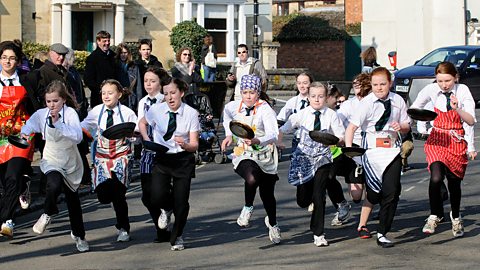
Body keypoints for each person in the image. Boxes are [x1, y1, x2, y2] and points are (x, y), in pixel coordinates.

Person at [345, 67, 410, 248]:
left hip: (392, 150)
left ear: (390, 83)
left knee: (392, 191)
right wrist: (351, 153)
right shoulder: (366, 103)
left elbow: (407, 124)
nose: (379, 88)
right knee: (374, 194)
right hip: (372, 151)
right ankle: (366, 221)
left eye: (383, 84)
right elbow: (351, 128)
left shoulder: (397, 100)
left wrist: (401, 126)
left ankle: (382, 232)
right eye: (375, 85)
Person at [410, 61, 476, 238]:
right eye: (440, 81)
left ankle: (455, 216)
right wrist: (415, 123)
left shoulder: (462, 91)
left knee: (454, 184)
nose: (444, 85)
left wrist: (458, 109)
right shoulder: (431, 90)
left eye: (447, 80)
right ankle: (435, 214)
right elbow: (416, 108)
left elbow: (470, 121)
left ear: (456, 77)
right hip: (437, 138)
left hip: (456, 140)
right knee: (436, 176)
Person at [23, 81, 89, 252]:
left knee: (73, 202)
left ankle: (79, 236)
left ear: (63, 100)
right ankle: (47, 214)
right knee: (53, 184)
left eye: (55, 101)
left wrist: (59, 123)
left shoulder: (70, 114)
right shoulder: (41, 114)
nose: (52, 105)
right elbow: (28, 126)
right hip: (52, 158)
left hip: (71, 161)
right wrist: (24, 133)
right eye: (48, 101)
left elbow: (77, 137)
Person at [278, 82, 345, 247]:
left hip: (323, 158)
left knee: (319, 194)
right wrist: (278, 141)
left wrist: (336, 141)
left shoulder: (331, 115)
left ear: (326, 97)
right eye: (313, 96)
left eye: (320, 96)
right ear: (308, 97)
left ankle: (319, 233)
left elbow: (341, 136)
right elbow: (283, 129)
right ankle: (306, 197)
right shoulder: (302, 114)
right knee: (303, 200)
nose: (317, 99)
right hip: (304, 159)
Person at [138, 78, 199, 251]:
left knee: (181, 201)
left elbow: (194, 144)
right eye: (166, 94)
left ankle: (178, 235)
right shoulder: (156, 110)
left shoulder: (191, 113)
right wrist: (147, 139)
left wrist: (185, 145)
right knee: (156, 196)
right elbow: (142, 122)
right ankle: (166, 209)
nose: (170, 97)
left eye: (173, 93)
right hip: (162, 157)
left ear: (181, 92)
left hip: (183, 159)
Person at [221, 74, 281, 245]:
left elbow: (274, 134)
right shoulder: (234, 106)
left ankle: (273, 223)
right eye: (245, 92)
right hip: (245, 152)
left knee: (267, 195)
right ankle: (247, 208)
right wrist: (228, 136)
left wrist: (257, 140)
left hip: (265, 154)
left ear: (258, 92)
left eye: (252, 92)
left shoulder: (265, 109)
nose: (248, 96)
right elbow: (226, 117)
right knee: (252, 177)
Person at [81, 79, 137, 242]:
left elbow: (137, 132)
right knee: (103, 195)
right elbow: (82, 126)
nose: (106, 96)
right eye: (103, 93)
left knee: (119, 195)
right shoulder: (96, 111)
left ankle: (124, 228)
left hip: (121, 156)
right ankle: (111, 193)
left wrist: (133, 135)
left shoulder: (127, 113)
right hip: (102, 157)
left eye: (110, 93)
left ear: (119, 94)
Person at [0, 41, 36, 238]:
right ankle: (24, 185)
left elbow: (35, 106)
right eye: (4, 57)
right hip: (0, 137)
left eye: (12, 58)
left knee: (12, 175)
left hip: (20, 135)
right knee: (6, 181)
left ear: (18, 61)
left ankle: (7, 221)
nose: (8, 61)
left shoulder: (25, 80)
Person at [136, 67, 171, 243]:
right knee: (146, 195)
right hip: (147, 151)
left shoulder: (166, 101)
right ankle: (161, 228)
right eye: (146, 81)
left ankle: (167, 213)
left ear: (160, 83)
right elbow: (139, 124)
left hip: (165, 151)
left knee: (160, 192)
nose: (148, 84)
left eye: (152, 81)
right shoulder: (142, 102)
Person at [337, 73, 374, 239]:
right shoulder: (348, 105)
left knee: (373, 188)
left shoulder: (374, 101)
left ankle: (365, 220)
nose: (355, 86)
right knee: (356, 196)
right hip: (354, 148)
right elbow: (337, 119)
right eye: (354, 84)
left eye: (359, 84)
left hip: (372, 147)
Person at [277, 72, 314, 152]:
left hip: (312, 139)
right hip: (297, 139)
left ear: (310, 84)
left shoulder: (315, 101)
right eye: (299, 83)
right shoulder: (292, 101)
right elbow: (280, 118)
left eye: (305, 83)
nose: (302, 86)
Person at [84, 30, 117, 108]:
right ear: (98, 42)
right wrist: (101, 91)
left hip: (114, 96)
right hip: (99, 98)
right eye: (104, 41)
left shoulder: (114, 56)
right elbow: (88, 79)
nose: (107, 43)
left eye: (108, 41)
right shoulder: (92, 58)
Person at [129, 39, 163, 110]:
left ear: (151, 50)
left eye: (148, 49)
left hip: (155, 96)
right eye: (143, 49)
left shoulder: (157, 64)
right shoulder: (135, 65)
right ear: (140, 50)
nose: (146, 52)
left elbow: (162, 81)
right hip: (139, 96)